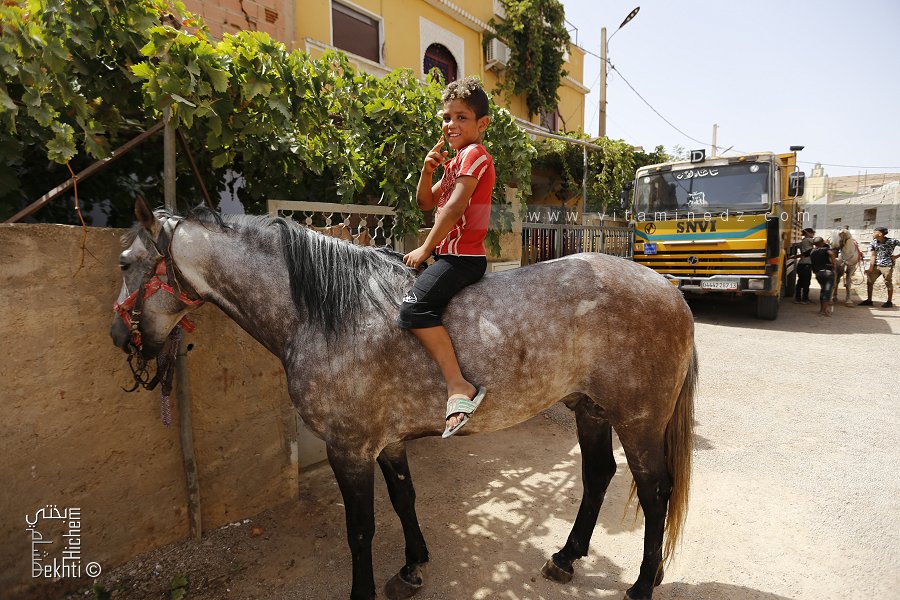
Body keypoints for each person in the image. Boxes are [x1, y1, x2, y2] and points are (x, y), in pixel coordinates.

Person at [397, 77, 495, 438]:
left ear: (481, 124)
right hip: (448, 256)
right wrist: (427, 170)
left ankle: (458, 386)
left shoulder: (475, 156)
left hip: (463, 259)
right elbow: (426, 203)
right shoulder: (455, 162)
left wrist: (425, 249)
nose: (451, 124)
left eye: (461, 117)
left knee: (412, 309)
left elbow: (453, 208)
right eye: (446, 117)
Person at [858, 226, 900, 308]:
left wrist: (896, 256)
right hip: (876, 266)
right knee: (869, 282)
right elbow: (873, 255)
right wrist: (870, 268)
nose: (872, 233)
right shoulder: (873, 242)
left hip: (887, 265)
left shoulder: (892, 241)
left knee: (888, 282)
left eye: (874, 232)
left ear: (880, 234)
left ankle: (889, 302)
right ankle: (869, 300)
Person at [809, 236, 836, 317]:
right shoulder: (826, 250)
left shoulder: (812, 251)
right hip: (828, 273)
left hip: (818, 274)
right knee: (827, 292)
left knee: (823, 290)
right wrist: (834, 265)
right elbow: (831, 253)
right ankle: (824, 311)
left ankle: (822, 309)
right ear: (822, 243)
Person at [794, 227, 815, 304]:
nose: (813, 234)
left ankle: (797, 298)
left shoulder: (802, 241)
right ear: (808, 233)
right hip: (807, 264)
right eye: (812, 233)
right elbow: (818, 241)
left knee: (800, 282)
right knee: (806, 283)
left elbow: (802, 253)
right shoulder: (808, 240)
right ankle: (805, 299)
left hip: (801, 264)